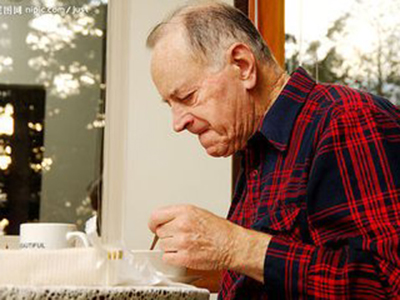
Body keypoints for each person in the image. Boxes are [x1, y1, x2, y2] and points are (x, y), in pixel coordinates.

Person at [146, 2, 400, 299]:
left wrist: (234, 246)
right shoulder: (258, 149)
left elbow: (387, 283)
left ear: (242, 66)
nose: (178, 123)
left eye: (187, 97)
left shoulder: (347, 118)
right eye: (170, 105)